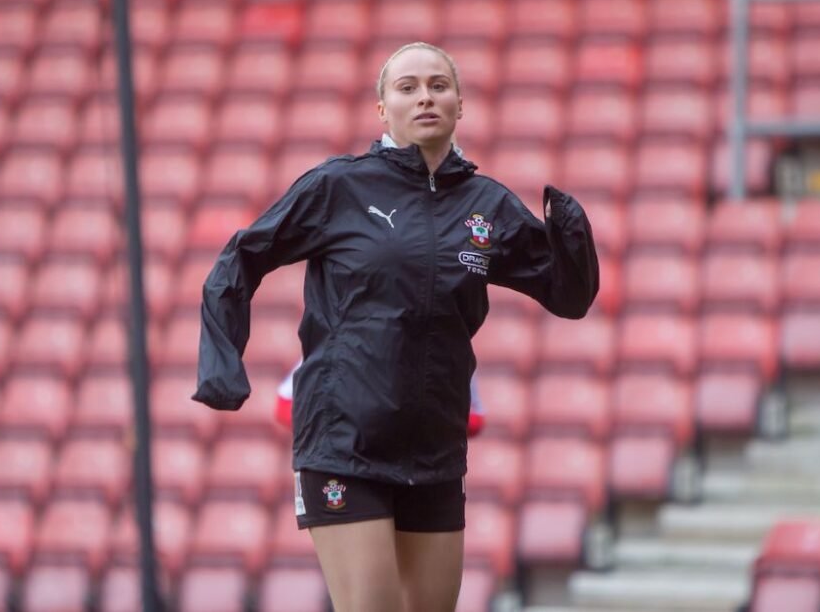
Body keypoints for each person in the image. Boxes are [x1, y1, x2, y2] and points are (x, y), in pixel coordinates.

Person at [193, 41, 599, 612]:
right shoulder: (339, 187)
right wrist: (222, 363)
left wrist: (573, 238)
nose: (425, 97)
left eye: (439, 85)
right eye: (407, 87)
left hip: (434, 449)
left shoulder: (488, 206)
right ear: (382, 109)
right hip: (343, 444)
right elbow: (241, 257)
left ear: (461, 104)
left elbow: (568, 296)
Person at [275, 358, 487, 438]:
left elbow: (475, 418)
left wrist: (429, 420)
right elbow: (285, 405)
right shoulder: (342, 334)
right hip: (350, 464)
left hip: (425, 469)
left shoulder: (449, 347)